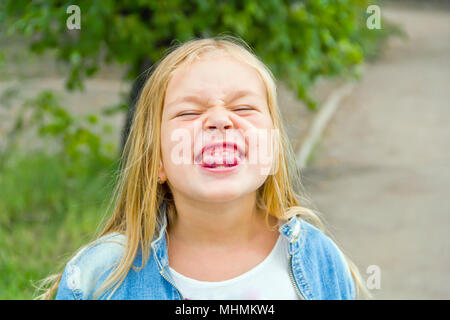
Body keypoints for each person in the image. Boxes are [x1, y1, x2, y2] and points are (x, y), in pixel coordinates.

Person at [37, 36, 367, 300]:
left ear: (271, 149)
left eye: (243, 107)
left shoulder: (318, 260)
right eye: (188, 113)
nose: (220, 120)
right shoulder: (99, 277)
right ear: (156, 160)